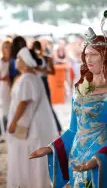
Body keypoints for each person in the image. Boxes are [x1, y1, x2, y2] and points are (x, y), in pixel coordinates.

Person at [29, 28, 107, 187]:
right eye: (87, 54)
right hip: (75, 159)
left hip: (99, 162)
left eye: (94, 54)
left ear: (105, 57)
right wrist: (52, 148)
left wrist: (99, 159)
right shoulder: (79, 90)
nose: (88, 58)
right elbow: (73, 130)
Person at [6, 47, 58, 188]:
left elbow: (24, 103)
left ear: (25, 61)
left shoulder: (27, 79)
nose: (16, 61)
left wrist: (13, 123)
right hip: (34, 124)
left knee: (27, 157)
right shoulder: (32, 76)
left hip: (30, 126)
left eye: (18, 58)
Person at [31, 40, 62, 134]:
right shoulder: (32, 59)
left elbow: (52, 72)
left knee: (48, 104)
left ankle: (57, 127)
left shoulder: (46, 58)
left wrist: (44, 70)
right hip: (35, 82)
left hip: (44, 81)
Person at [0, 40, 11, 141]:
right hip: (4, 87)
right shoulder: (1, 61)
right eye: (6, 47)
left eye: (9, 47)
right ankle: (5, 132)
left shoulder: (13, 60)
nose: (8, 49)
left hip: (12, 86)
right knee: (5, 110)